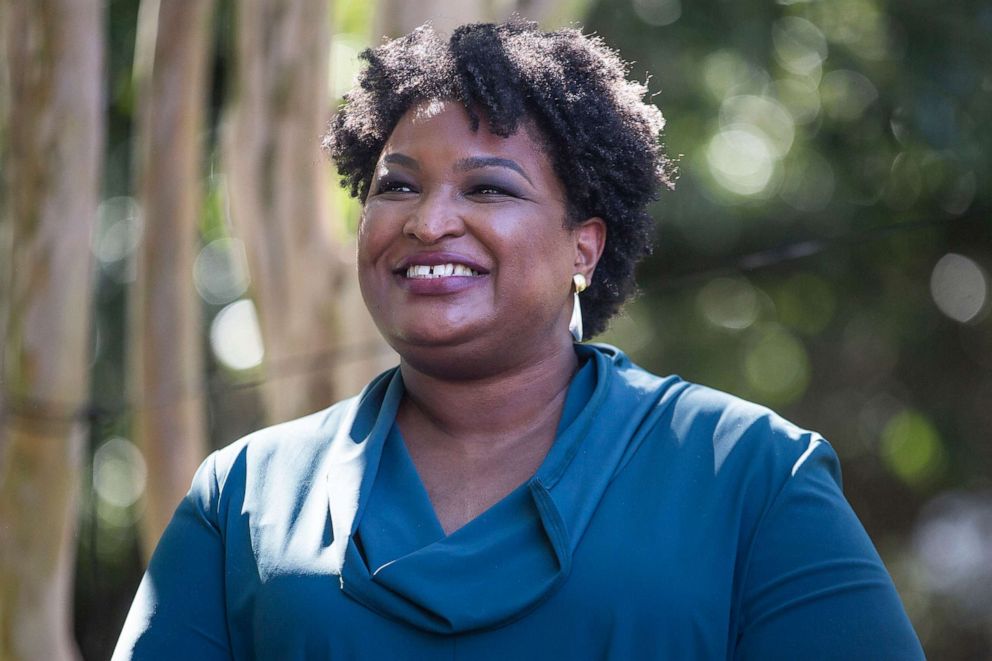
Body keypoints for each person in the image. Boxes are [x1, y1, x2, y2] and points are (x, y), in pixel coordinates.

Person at [113, 19, 924, 660]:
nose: (428, 222)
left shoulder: (749, 477)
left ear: (585, 247)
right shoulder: (245, 496)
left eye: (489, 188)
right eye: (397, 186)